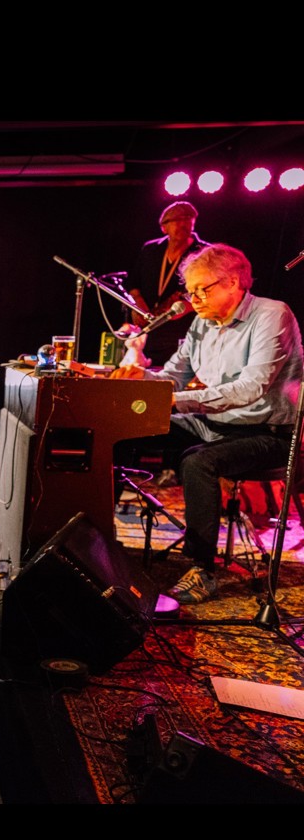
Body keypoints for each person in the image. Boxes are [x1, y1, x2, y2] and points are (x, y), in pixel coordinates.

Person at [111, 244, 303, 604]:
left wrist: (174, 401)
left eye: (202, 289)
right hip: (214, 423)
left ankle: (203, 570)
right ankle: (101, 540)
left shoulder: (271, 315)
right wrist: (140, 375)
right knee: (121, 434)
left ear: (234, 282)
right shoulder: (201, 322)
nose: (193, 299)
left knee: (198, 462)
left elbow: (250, 388)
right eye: (190, 291)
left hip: (267, 434)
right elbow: (172, 378)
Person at [125, 200, 209, 366]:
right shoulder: (150, 249)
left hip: (183, 330)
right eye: (177, 220)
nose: (183, 224)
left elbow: (211, 291)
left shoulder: (205, 252)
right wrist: (137, 305)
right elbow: (133, 283)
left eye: (188, 219)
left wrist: (187, 307)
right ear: (164, 227)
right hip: (149, 330)